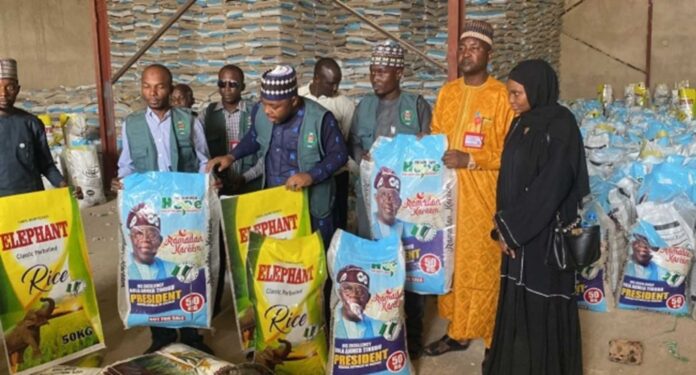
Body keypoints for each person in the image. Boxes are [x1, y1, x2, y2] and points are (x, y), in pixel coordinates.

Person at [484, 59, 587, 375]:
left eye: (517, 94)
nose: (511, 101)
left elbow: (552, 185)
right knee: (518, 298)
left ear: (537, 89)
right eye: (509, 94)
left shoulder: (561, 126)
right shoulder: (521, 123)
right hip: (518, 232)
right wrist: (502, 227)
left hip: (544, 236)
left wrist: (513, 229)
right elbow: (508, 179)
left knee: (542, 303)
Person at [424, 20, 515, 356]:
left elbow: (512, 153)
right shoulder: (448, 93)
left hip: (483, 199)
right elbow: (437, 139)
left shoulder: (502, 96)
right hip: (447, 198)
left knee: (483, 267)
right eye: (463, 47)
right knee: (451, 264)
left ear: (489, 53)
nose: (466, 53)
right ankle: (458, 332)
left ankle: (493, 338)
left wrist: (471, 159)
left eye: (474, 47)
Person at [113, 63, 213, 355]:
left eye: (159, 86)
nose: (153, 93)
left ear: (170, 88)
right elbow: (127, 165)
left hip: (184, 209)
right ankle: (161, 334)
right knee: (154, 270)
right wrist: (121, 183)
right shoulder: (131, 124)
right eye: (147, 86)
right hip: (149, 211)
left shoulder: (188, 120)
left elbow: (202, 159)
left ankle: (192, 333)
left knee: (188, 264)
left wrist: (211, 179)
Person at [349, 41, 431, 359]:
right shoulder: (364, 106)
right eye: (372, 71)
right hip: (371, 205)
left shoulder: (416, 105)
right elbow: (352, 143)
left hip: (408, 204)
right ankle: (382, 332)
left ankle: (415, 337)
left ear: (398, 72)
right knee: (379, 265)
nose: (375, 77)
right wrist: (363, 158)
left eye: (382, 72)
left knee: (410, 266)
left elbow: (429, 152)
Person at [206, 65, 347, 248]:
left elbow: (340, 154)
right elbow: (255, 137)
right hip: (277, 203)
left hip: (311, 205)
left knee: (314, 258)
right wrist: (231, 157)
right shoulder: (261, 112)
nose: (267, 111)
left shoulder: (320, 118)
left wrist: (311, 176)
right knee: (280, 259)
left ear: (294, 101)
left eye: (274, 106)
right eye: (264, 103)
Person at [0, 58, 82, 198]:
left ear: (18, 90)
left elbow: (46, 164)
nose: (3, 93)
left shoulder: (31, 123)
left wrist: (64, 186)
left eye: (10, 87)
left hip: (32, 199)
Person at [299, 57, 356, 230]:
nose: (335, 88)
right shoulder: (298, 97)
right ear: (316, 78)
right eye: (330, 83)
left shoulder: (345, 105)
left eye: (337, 83)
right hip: (302, 172)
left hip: (335, 175)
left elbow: (346, 140)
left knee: (335, 225)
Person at [200, 65, 262, 194]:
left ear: (242, 87)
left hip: (251, 186)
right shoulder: (207, 114)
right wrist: (212, 178)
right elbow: (199, 152)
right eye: (222, 84)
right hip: (218, 186)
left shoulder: (256, 112)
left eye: (233, 84)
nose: (227, 89)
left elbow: (266, 154)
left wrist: (245, 178)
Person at [126, 203, 176, 280]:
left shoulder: (173, 268)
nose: (145, 239)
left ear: (160, 241)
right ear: (130, 238)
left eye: (152, 235)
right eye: (139, 234)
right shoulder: (125, 268)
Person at [334, 265, 380, 339]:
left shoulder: (378, 326)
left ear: (368, 298)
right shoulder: (334, 321)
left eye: (360, 291)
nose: (354, 294)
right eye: (348, 289)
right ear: (340, 294)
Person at [371, 167, 404, 239]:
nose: (388, 200)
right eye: (383, 194)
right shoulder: (367, 225)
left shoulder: (407, 228)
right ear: (376, 198)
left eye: (393, 196)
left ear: (400, 202)